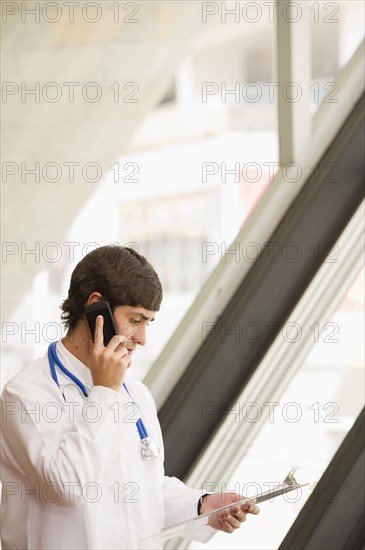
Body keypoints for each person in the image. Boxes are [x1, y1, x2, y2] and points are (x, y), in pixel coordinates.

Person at [0, 246, 259, 549]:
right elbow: (67, 486)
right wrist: (105, 392)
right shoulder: (24, 395)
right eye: (135, 320)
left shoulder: (135, 393)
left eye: (148, 323)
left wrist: (200, 506)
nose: (142, 338)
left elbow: (140, 488)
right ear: (97, 308)